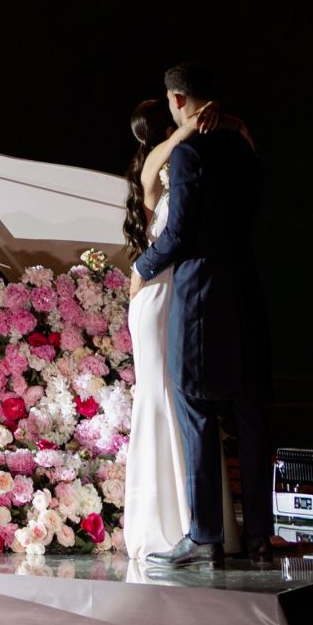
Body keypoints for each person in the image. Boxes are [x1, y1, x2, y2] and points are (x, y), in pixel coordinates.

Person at [132, 62, 280, 569]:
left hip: (200, 298)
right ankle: (261, 537)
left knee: (196, 410)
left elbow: (177, 235)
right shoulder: (242, 147)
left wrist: (142, 267)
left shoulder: (190, 153)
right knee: (251, 417)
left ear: (176, 100)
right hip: (246, 291)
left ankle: (206, 536)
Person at [121, 98, 195, 565]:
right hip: (154, 294)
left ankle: (190, 518)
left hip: (173, 290)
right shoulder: (155, 163)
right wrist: (196, 123)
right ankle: (161, 523)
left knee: (177, 395)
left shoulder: (172, 171)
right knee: (158, 395)